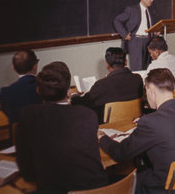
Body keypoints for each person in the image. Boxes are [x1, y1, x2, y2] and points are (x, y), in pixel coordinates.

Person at [100, 68, 175, 193]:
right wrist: (147, 121)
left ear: (152, 90)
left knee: (115, 181)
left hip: (167, 188)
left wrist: (102, 138)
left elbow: (120, 153)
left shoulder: (151, 123)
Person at [16, 62, 108, 193]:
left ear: (38, 91)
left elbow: (27, 171)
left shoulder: (28, 115)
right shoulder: (88, 114)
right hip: (99, 189)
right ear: (69, 92)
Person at [71, 47, 144, 124]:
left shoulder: (102, 85)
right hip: (133, 122)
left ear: (107, 65)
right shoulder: (137, 79)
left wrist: (74, 96)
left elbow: (82, 104)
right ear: (125, 62)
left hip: (108, 126)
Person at [114, 0, 157, 71]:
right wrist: (125, 34)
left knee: (149, 68)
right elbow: (117, 20)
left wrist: (155, 31)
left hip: (149, 42)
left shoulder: (151, 11)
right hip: (136, 42)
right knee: (138, 69)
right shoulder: (132, 10)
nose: (152, 0)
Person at [0, 50, 42, 129]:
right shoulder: (44, 88)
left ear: (14, 68)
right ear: (35, 66)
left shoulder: (5, 93)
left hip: (18, 137)